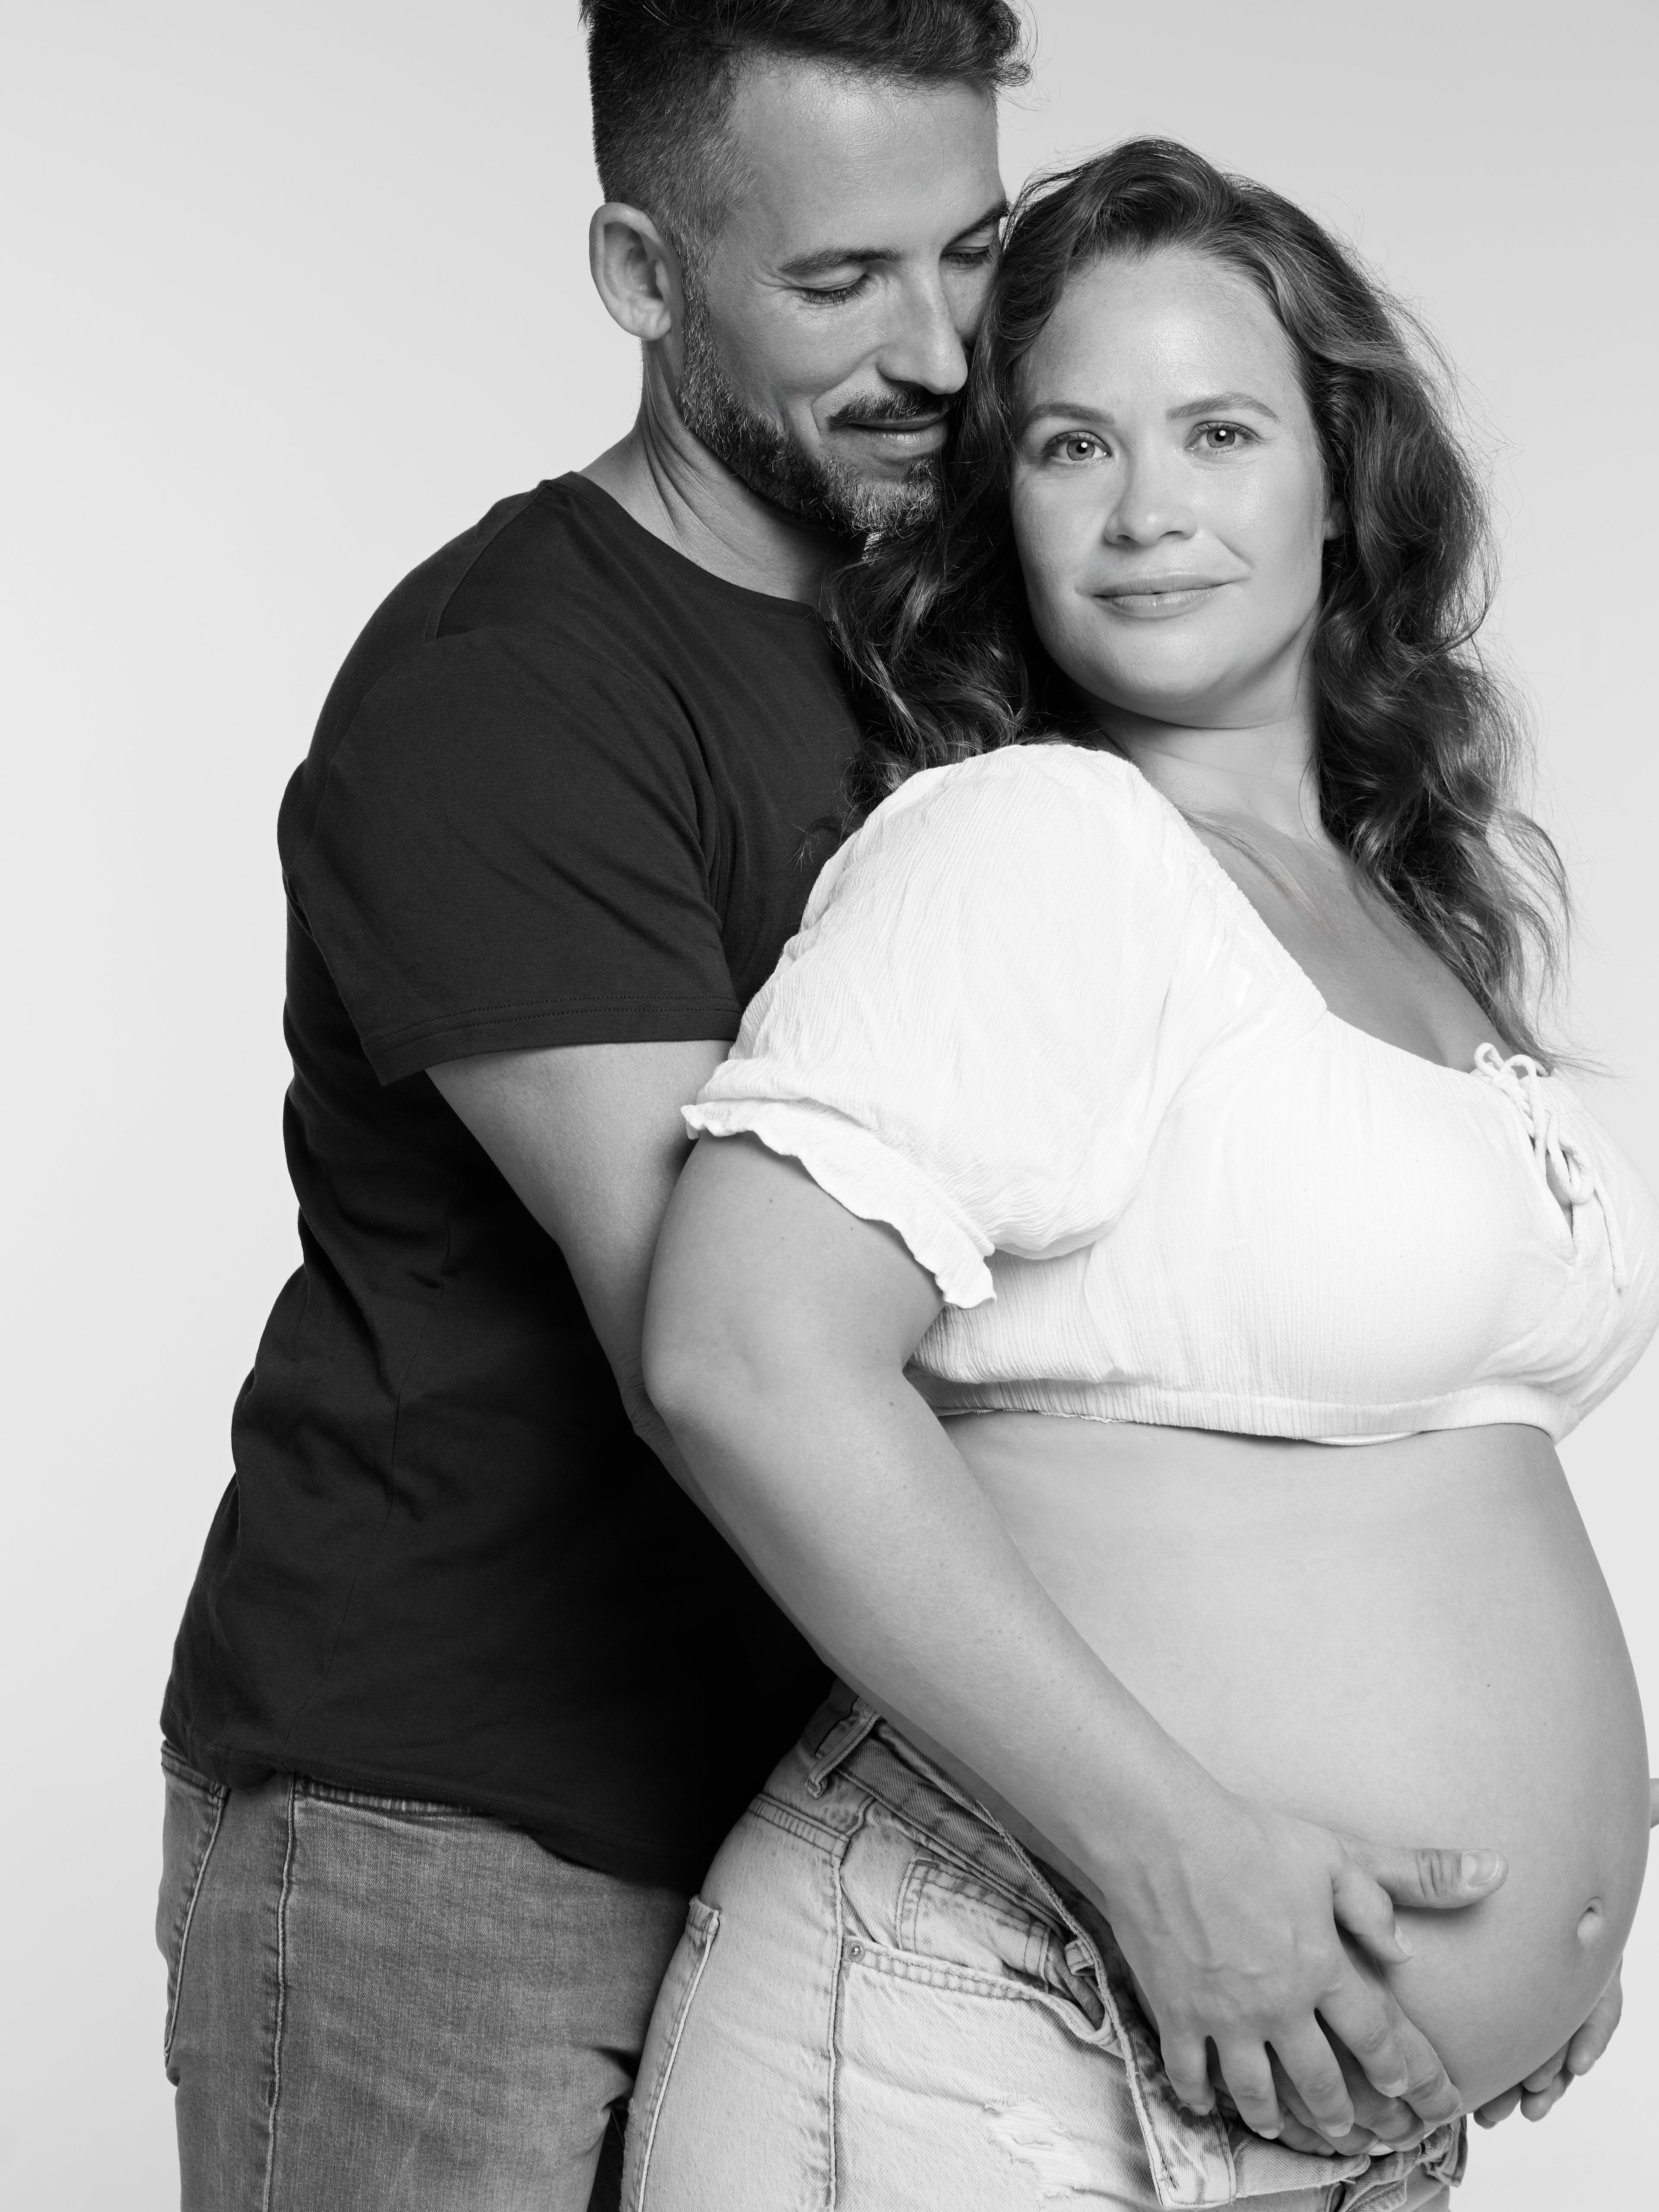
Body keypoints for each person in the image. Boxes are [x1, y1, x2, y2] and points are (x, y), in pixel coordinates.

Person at [626, 139, 1659, 2210]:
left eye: (1218, 431)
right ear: (1000, 504)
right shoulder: (1033, 844)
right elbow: (740, 1355)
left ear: (1342, 479)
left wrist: (1549, 1917)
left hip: (1315, 2090)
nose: (1146, 507)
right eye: (1073, 444)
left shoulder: (1400, 908)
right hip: (1011, 2011)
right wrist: (1177, 1860)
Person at [153, 6, 1030, 2207]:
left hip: (851, 1804)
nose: (939, 352)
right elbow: (735, 1365)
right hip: (463, 1840)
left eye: (974, 254)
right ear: (643, 273)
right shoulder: (507, 688)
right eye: (838, 282)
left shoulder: (975, 645)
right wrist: (1180, 1831)